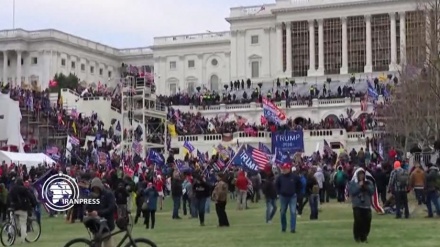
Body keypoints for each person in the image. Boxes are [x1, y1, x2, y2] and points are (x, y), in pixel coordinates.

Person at [86, 177, 116, 247]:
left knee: (108, 244)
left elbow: (111, 208)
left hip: (107, 225)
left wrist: (98, 212)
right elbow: (87, 206)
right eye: (94, 188)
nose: (95, 190)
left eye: (97, 188)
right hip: (96, 226)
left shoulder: (108, 194)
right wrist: (88, 212)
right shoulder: (92, 195)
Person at [7, 178, 37, 244]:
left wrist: (8, 207)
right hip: (22, 208)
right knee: (23, 224)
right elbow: (30, 196)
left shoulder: (12, 189)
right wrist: (34, 204)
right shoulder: (23, 189)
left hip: (13, 208)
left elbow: (8, 198)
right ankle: (22, 240)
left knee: (13, 223)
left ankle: (10, 236)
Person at [348, 169, 374, 243]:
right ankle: (357, 236)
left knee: (367, 221)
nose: (361, 176)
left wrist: (366, 187)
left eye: (363, 174)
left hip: (366, 205)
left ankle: (364, 236)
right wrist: (359, 186)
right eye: (360, 174)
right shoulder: (353, 183)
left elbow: (372, 191)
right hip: (357, 205)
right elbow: (352, 192)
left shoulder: (368, 182)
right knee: (358, 221)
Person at [275, 163, 301, 233]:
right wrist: (278, 193)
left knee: (293, 212)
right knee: (282, 212)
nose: (283, 170)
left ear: (289, 169)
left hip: (292, 197)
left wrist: (297, 193)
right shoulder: (280, 177)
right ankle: (283, 227)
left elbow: (299, 185)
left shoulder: (294, 177)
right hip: (283, 197)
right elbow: (276, 185)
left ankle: (293, 228)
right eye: (283, 169)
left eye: (285, 169)